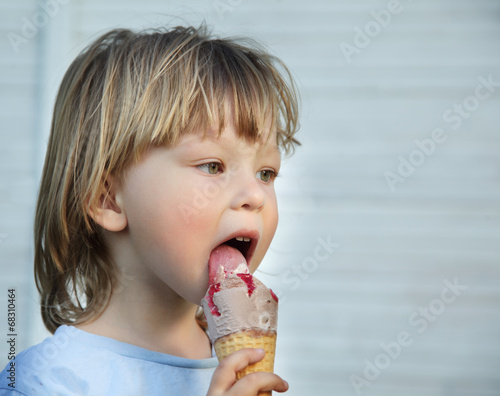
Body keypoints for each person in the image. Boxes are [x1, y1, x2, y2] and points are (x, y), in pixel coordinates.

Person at [0, 23, 299, 395]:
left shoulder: (234, 362)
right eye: (213, 166)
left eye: (266, 172)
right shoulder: (46, 380)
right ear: (106, 198)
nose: (254, 195)